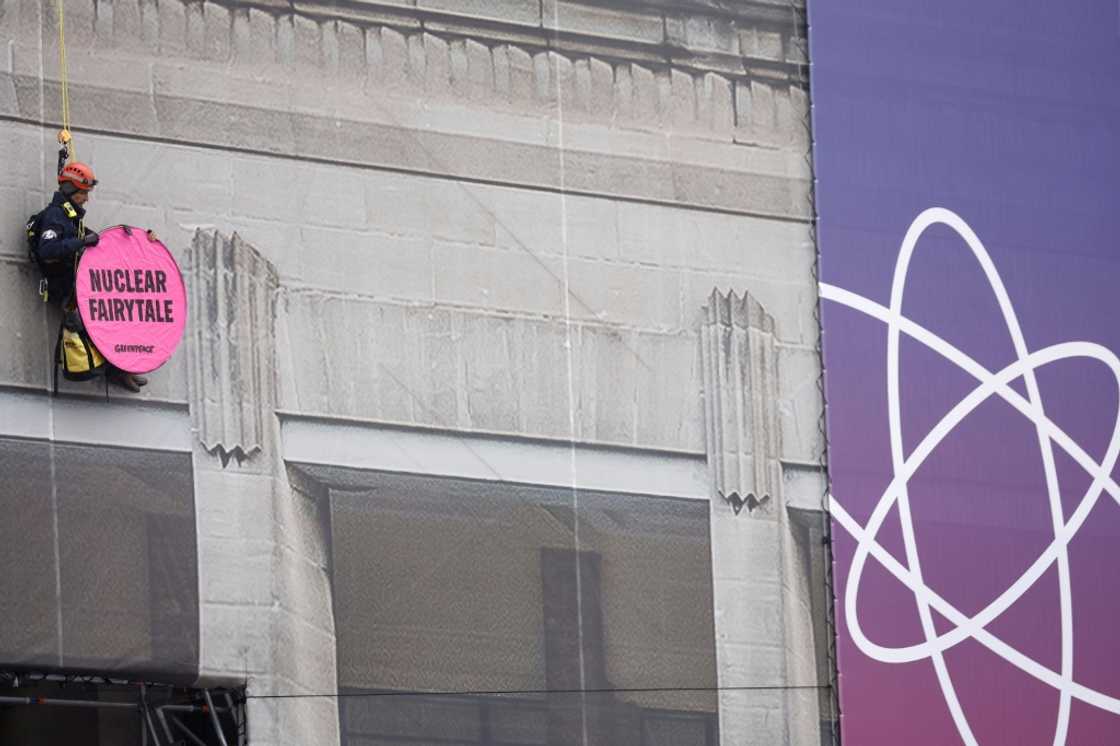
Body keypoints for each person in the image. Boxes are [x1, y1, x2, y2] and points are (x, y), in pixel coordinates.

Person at [33, 160, 149, 393]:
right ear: (70, 190)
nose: (86, 198)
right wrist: (81, 242)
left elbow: (93, 239)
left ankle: (119, 369)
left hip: (78, 286)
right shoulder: (55, 217)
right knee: (97, 328)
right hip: (65, 289)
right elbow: (47, 250)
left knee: (108, 322)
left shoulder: (70, 218)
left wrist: (124, 236)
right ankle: (115, 371)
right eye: (83, 193)